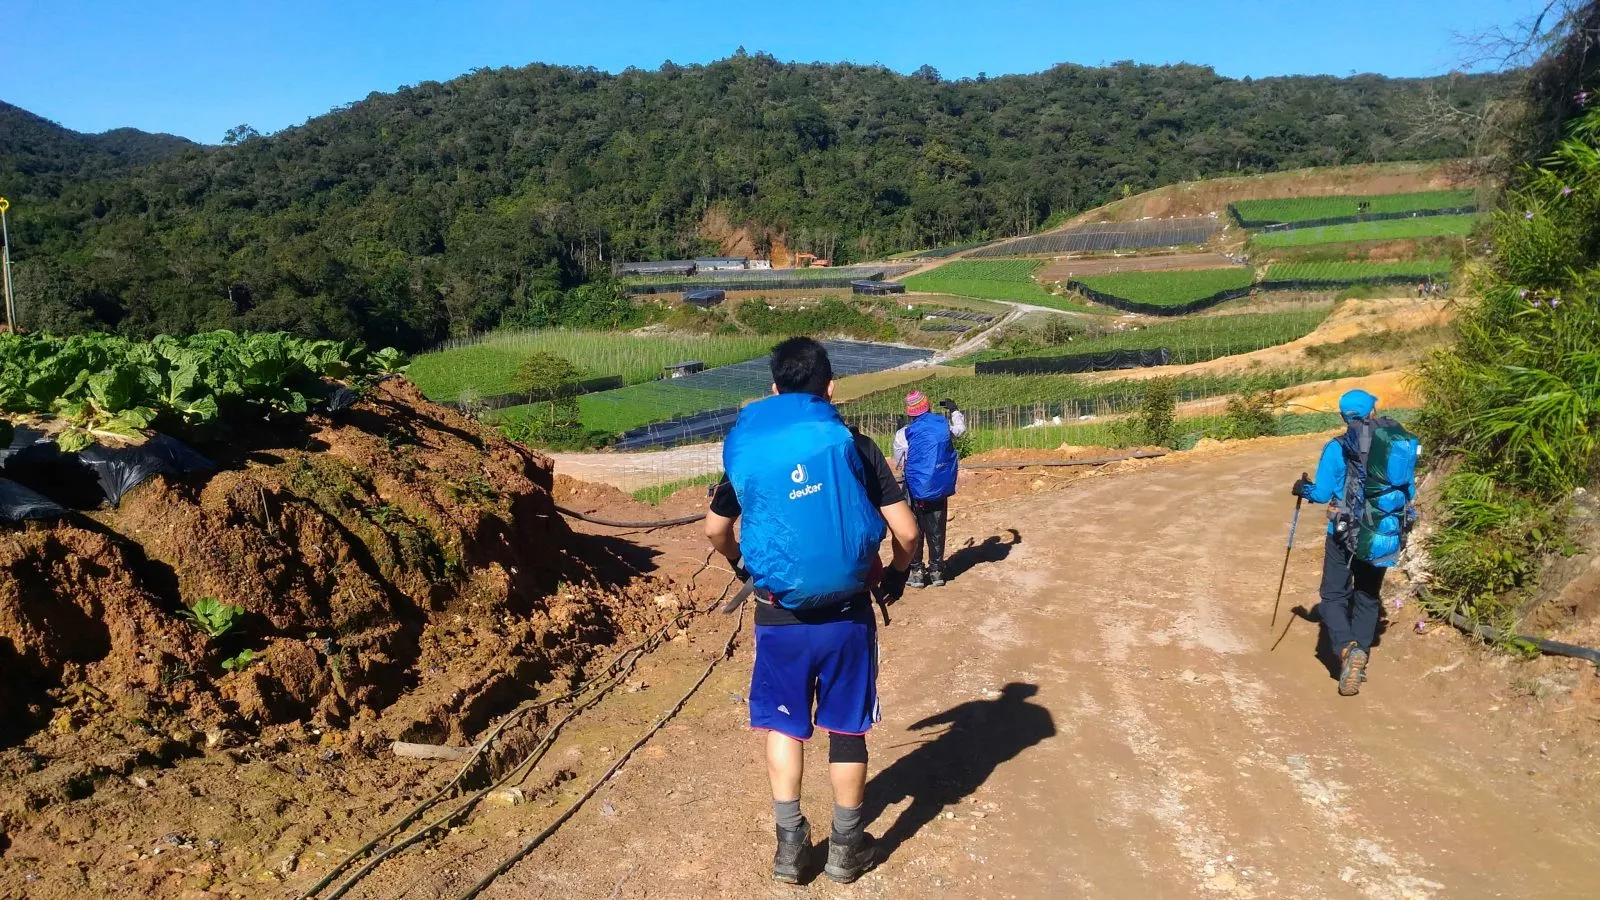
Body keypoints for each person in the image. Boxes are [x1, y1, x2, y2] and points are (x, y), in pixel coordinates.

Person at [705, 337, 920, 885]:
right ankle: (847, 850)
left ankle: (789, 847)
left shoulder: (753, 453)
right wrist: (895, 576)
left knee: (786, 726)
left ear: (774, 390)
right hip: (847, 615)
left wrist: (742, 568)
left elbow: (716, 530)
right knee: (847, 728)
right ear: (831, 389)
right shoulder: (855, 444)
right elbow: (908, 532)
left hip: (780, 617)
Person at [1291, 389, 1417, 697]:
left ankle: (1347, 649)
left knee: (1333, 596)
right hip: (1383, 532)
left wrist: (1301, 489)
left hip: (1343, 531)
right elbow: (1410, 492)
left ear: (1343, 417)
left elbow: (1320, 494)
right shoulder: (1396, 446)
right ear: (1373, 412)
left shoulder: (1337, 447)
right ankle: (1360, 655)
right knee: (1368, 595)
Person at [892, 391, 965, 588]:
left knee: (915, 528)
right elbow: (959, 430)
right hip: (938, 486)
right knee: (936, 528)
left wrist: (901, 436)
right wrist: (954, 410)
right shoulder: (942, 426)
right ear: (929, 407)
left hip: (914, 488)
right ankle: (936, 571)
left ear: (909, 413)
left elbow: (898, 462)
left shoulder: (904, 433)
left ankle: (916, 572)